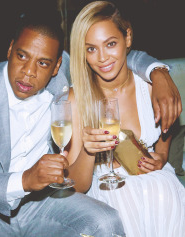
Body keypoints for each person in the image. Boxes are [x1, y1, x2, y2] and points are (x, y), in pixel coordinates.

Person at [0, 7, 182, 237]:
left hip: (42, 203)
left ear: (56, 67)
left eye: (43, 63)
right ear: (10, 49)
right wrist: (25, 180)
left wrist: (158, 71)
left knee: (104, 222)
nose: (29, 72)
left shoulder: (60, 85)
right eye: (22, 56)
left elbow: (115, 57)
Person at [66, 1, 185, 237]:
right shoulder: (76, 99)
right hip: (107, 188)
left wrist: (161, 153)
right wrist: (89, 152)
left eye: (110, 44)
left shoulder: (151, 87)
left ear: (127, 38)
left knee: (164, 190)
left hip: (156, 183)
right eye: (91, 49)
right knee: (121, 198)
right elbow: (76, 186)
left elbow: (167, 125)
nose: (102, 57)